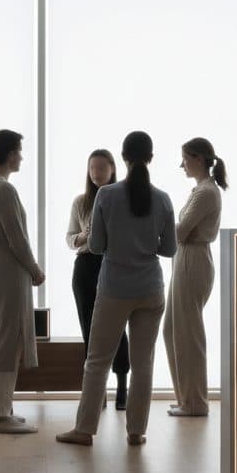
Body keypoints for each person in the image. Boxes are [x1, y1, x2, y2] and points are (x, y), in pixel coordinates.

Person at [56, 131, 177, 446]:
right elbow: (170, 250)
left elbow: (95, 246)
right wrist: (145, 244)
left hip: (114, 289)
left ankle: (85, 429)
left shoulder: (105, 196)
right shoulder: (163, 199)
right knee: (143, 363)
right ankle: (136, 432)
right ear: (150, 158)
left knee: (97, 361)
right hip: (151, 289)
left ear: (122, 158)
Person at [0, 129, 45, 434]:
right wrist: (34, 269)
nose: (21, 156)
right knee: (7, 342)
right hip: (9, 277)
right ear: (9, 155)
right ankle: (2, 415)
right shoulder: (3, 190)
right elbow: (17, 238)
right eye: (18, 150)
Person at [164, 138, 227, 417]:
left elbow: (181, 231)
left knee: (188, 334)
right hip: (186, 258)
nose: (182, 165)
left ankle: (196, 402)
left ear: (199, 159)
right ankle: (186, 398)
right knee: (172, 331)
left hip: (193, 259)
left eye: (185, 159)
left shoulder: (206, 193)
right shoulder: (201, 190)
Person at [67, 149, 130, 411]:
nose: (96, 174)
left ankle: (122, 385)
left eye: (101, 168)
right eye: (92, 169)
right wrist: (85, 235)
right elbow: (70, 239)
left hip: (112, 265)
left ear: (113, 169)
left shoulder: (123, 198)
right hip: (85, 266)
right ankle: (96, 389)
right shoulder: (81, 202)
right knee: (89, 329)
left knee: (117, 327)